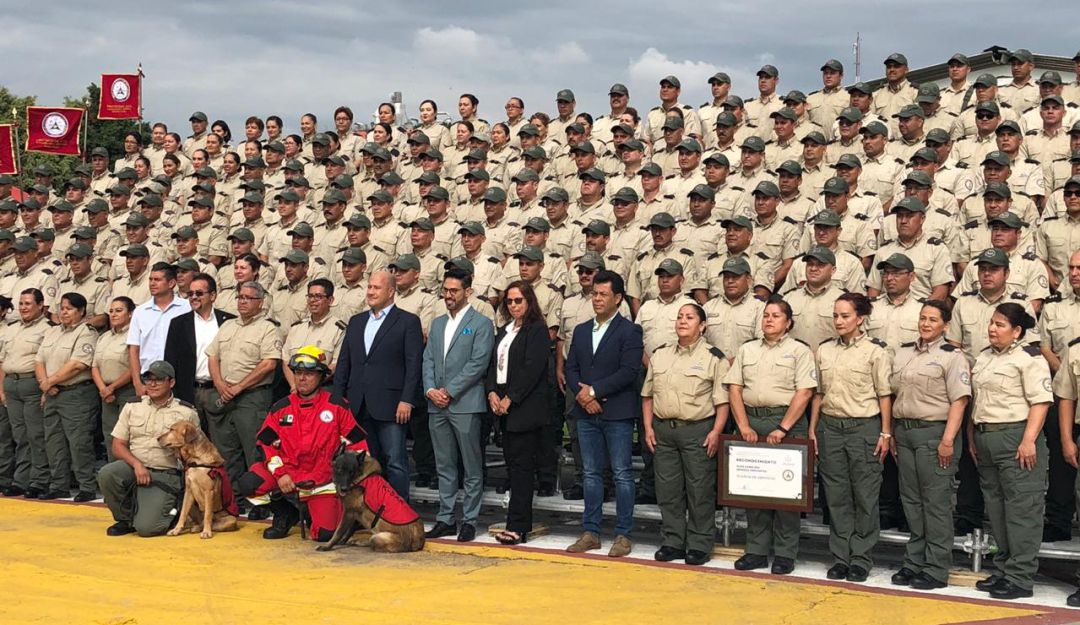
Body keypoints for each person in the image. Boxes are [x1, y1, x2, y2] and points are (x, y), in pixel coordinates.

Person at [235, 346, 369, 541]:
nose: (302, 378)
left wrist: (347, 480)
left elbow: (359, 446)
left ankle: (316, 513)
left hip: (323, 481)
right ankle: (285, 513)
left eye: (309, 373)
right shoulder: (281, 408)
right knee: (249, 484)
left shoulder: (337, 406)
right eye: (298, 373)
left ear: (322, 376)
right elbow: (265, 444)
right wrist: (280, 474)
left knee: (325, 535)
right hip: (288, 474)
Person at [725, 297, 817, 574]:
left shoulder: (799, 352)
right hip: (752, 420)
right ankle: (756, 550)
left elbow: (805, 392)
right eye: (766, 315)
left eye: (776, 316)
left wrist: (784, 428)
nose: (769, 319)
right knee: (755, 491)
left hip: (785, 422)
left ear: (788, 323)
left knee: (787, 493)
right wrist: (743, 426)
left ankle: (786, 553)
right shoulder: (747, 350)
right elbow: (734, 388)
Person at [970, 302, 1052, 600]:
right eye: (991, 323)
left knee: (1021, 510)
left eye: (1000, 324)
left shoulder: (1029, 358)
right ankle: (1004, 568)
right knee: (997, 510)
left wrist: (1029, 439)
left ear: (1017, 331)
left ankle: (1020, 576)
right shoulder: (984, 357)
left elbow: (1040, 402)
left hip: (1016, 438)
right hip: (986, 438)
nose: (993, 328)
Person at [810, 292, 893, 583]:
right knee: (836, 495)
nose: (838, 321)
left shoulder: (876, 351)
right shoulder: (824, 351)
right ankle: (841, 556)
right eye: (835, 315)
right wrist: (813, 428)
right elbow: (819, 393)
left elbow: (884, 394)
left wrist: (885, 431)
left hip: (864, 428)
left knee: (865, 495)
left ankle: (860, 557)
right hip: (831, 428)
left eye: (845, 316)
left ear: (860, 318)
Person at [889, 300, 971, 590]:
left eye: (933, 319)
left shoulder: (952, 356)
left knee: (935, 504)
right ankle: (914, 562)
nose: (925, 324)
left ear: (945, 325)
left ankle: (936, 568)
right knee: (911, 501)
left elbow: (959, 400)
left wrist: (948, 440)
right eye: (922, 318)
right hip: (906, 432)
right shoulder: (904, 353)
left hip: (935, 434)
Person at [642, 303, 729, 565]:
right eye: (679, 317)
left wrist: (716, 431)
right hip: (664, 430)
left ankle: (700, 543)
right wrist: (647, 427)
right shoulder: (660, 355)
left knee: (699, 490)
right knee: (668, 490)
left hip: (698, 430)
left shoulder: (714, 357)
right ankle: (673, 541)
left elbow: (722, 402)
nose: (682, 321)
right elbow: (647, 395)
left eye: (689, 317)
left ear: (702, 326)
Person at [565, 271, 644, 557]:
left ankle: (623, 534)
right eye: (594, 294)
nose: (597, 299)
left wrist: (594, 392)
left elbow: (628, 371)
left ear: (618, 298)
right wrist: (584, 396)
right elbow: (571, 368)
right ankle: (591, 531)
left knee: (622, 474)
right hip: (586, 412)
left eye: (603, 294)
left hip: (617, 412)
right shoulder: (583, 329)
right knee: (590, 473)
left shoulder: (630, 331)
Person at [333, 270, 424, 501]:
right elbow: (345, 362)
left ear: (391, 292)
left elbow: (414, 365)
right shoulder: (356, 321)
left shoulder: (408, 321)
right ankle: (371, 511)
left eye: (377, 288)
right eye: (369, 287)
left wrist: (407, 399)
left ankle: (399, 516)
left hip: (392, 405)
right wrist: (336, 399)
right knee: (364, 464)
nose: (371, 292)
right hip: (358, 404)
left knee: (395, 462)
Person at [422, 269, 494, 543]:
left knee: (471, 464)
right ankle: (446, 517)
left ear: (468, 292)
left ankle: (470, 519)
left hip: (465, 403)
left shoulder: (481, 323)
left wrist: (449, 391)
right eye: (446, 290)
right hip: (436, 405)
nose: (448, 295)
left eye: (454, 290)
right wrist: (430, 390)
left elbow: (478, 363)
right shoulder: (438, 323)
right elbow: (428, 359)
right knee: (445, 464)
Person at [97, 360, 197, 537]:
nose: (152, 384)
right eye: (148, 379)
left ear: (171, 382)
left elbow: (196, 451)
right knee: (107, 473)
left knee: (148, 529)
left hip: (165, 473)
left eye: (159, 380)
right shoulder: (132, 406)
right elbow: (117, 446)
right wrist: (136, 465)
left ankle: (170, 511)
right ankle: (126, 519)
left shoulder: (186, 412)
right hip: (134, 468)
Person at [485, 280, 551, 545]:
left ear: (529, 302)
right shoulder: (504, 330)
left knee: (522, 469)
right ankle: (516, 519)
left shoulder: (537, 330)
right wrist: (491, 392)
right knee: (512, 467)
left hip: (524, 408)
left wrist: (510, 398)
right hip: (502, 407)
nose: (513, 305)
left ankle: (519, 526)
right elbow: (493, 365)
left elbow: (532, 369)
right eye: (509, 301)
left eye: (518, 301)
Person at [204, 281, 282, 485]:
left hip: (251, 397)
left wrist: (239, 387)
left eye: (249, 298)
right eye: (240, 297)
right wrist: (219, 383)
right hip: (223, 394)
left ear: (261, 302)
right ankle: (235, 500)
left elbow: (268, 364)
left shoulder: (267, 328)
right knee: (226, 452)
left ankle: (259, 499)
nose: (243, 302)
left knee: (254, 451)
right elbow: (212, 356)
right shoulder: (228, 325)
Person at [34, 292, 99, 502]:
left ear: (81, 311)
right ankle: (58, 484)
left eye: (69, 308)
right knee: (54, 441)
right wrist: (46, 385)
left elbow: (78, 364)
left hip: (76, 393)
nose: (64, 312)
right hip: (53, 393)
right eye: (62, 308)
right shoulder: (53, 332)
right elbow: (39, 360)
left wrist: (49, 382)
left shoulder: (86, 332)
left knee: (79, 441)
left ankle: (86, 486)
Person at [0, 289, 52, 498]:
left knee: (36, 435)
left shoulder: (47, 329)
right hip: (12, 383)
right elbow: (3, 360)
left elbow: (50, 360)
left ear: (40, 305)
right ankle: (21, 479)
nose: (23, 307)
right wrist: (3, 390)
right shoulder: (13, 329)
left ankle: (39, 480)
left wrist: (45, 389)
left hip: (33, 383)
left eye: (28, 303)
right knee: (20, 436)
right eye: (21, 303)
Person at [126, 262, 192, 392]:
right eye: (150, 279)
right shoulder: (140, 311)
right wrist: (137, 382)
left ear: (171, 283)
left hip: (180, 377)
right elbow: (133, 349)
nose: (152, 283)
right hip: (148, 378)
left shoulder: (187, 308)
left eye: (157, 280)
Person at [92, 297, 138, 461]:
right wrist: (103, 389)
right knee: (110, 434)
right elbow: (94, 365)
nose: (113, 314)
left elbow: (135, 366)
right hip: (105, 392)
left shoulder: (135, 334)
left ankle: (128, 478)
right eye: (111, 311)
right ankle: (112, 475)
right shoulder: (104, 337)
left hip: (126, 390)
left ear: (131, 313)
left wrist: (112, 387)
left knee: (127, 436)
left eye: (119, 311)